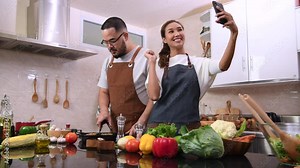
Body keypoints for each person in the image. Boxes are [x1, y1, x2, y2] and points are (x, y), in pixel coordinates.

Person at [145, 8, 238, 131]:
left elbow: (223, 65)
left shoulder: (198, 63)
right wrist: (151, 63)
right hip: (159, 128)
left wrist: (234, 34)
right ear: (164, 39)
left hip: (189, 129)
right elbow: (154, 96)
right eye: (171, 31)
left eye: (179, 29)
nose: (177, 34)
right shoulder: (158, 64)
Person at [96, 17, 153, 135]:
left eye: (112, 41)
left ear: (125, 36)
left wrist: (141, 122)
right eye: (105, 42)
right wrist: (104, 111)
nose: (109, 47)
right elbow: (104, 91)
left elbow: (155, 97)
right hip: (117, 131)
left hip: (141, 131)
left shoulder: (147, 57)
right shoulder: (108, 61)